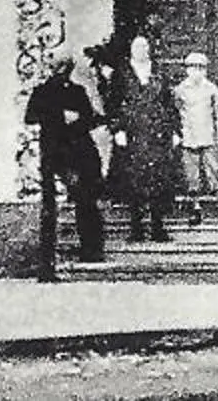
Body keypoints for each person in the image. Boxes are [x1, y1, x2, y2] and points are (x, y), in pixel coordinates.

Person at [22, 53, 105, 266]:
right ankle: (51, 258)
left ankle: (92, 248)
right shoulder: (42, 92)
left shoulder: (78, 91)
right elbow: (31, 117)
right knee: (68, 200)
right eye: (59, 67)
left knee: (87, 200)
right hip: (57, 155)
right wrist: (61, 115)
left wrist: (76, 119)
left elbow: (89, 118)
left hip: (81, 153)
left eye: (65, 67)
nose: (62, 71)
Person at [110, 35, 181, 242]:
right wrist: (117, 129)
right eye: (136, 46)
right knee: (134, 181)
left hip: (157, 134)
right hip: (133, 134)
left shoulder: (159, 72)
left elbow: (169, 104)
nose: (141, 50)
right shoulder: (121, 74)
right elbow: (113, 103)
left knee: (158, 180)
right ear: (131, 49)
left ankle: (158, 227)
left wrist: (175, 130)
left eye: (144, 46)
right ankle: (136, 228)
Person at [172, 52, 218, 197]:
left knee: (215, 171)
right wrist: (178, 134)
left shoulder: (212, 89)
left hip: (208, 136)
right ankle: (195, 207)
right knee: (191, 174)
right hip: (189, 136)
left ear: (205, 70)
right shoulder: (180, 89)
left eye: (200, 68)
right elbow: (176, 113)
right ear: (187, 70)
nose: (196, 72)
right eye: (192, 68)